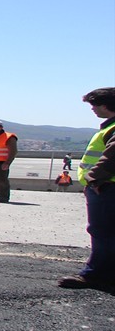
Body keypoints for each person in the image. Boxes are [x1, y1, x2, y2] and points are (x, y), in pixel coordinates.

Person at [58, 87, 115, 292]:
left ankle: (97, 274)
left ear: (107, 105)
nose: (93, 109)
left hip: (106, 187)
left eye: (95, 104)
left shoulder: (112, 128)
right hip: (105, 186)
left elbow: (110, 158)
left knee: (102, 231)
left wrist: (92, 180)